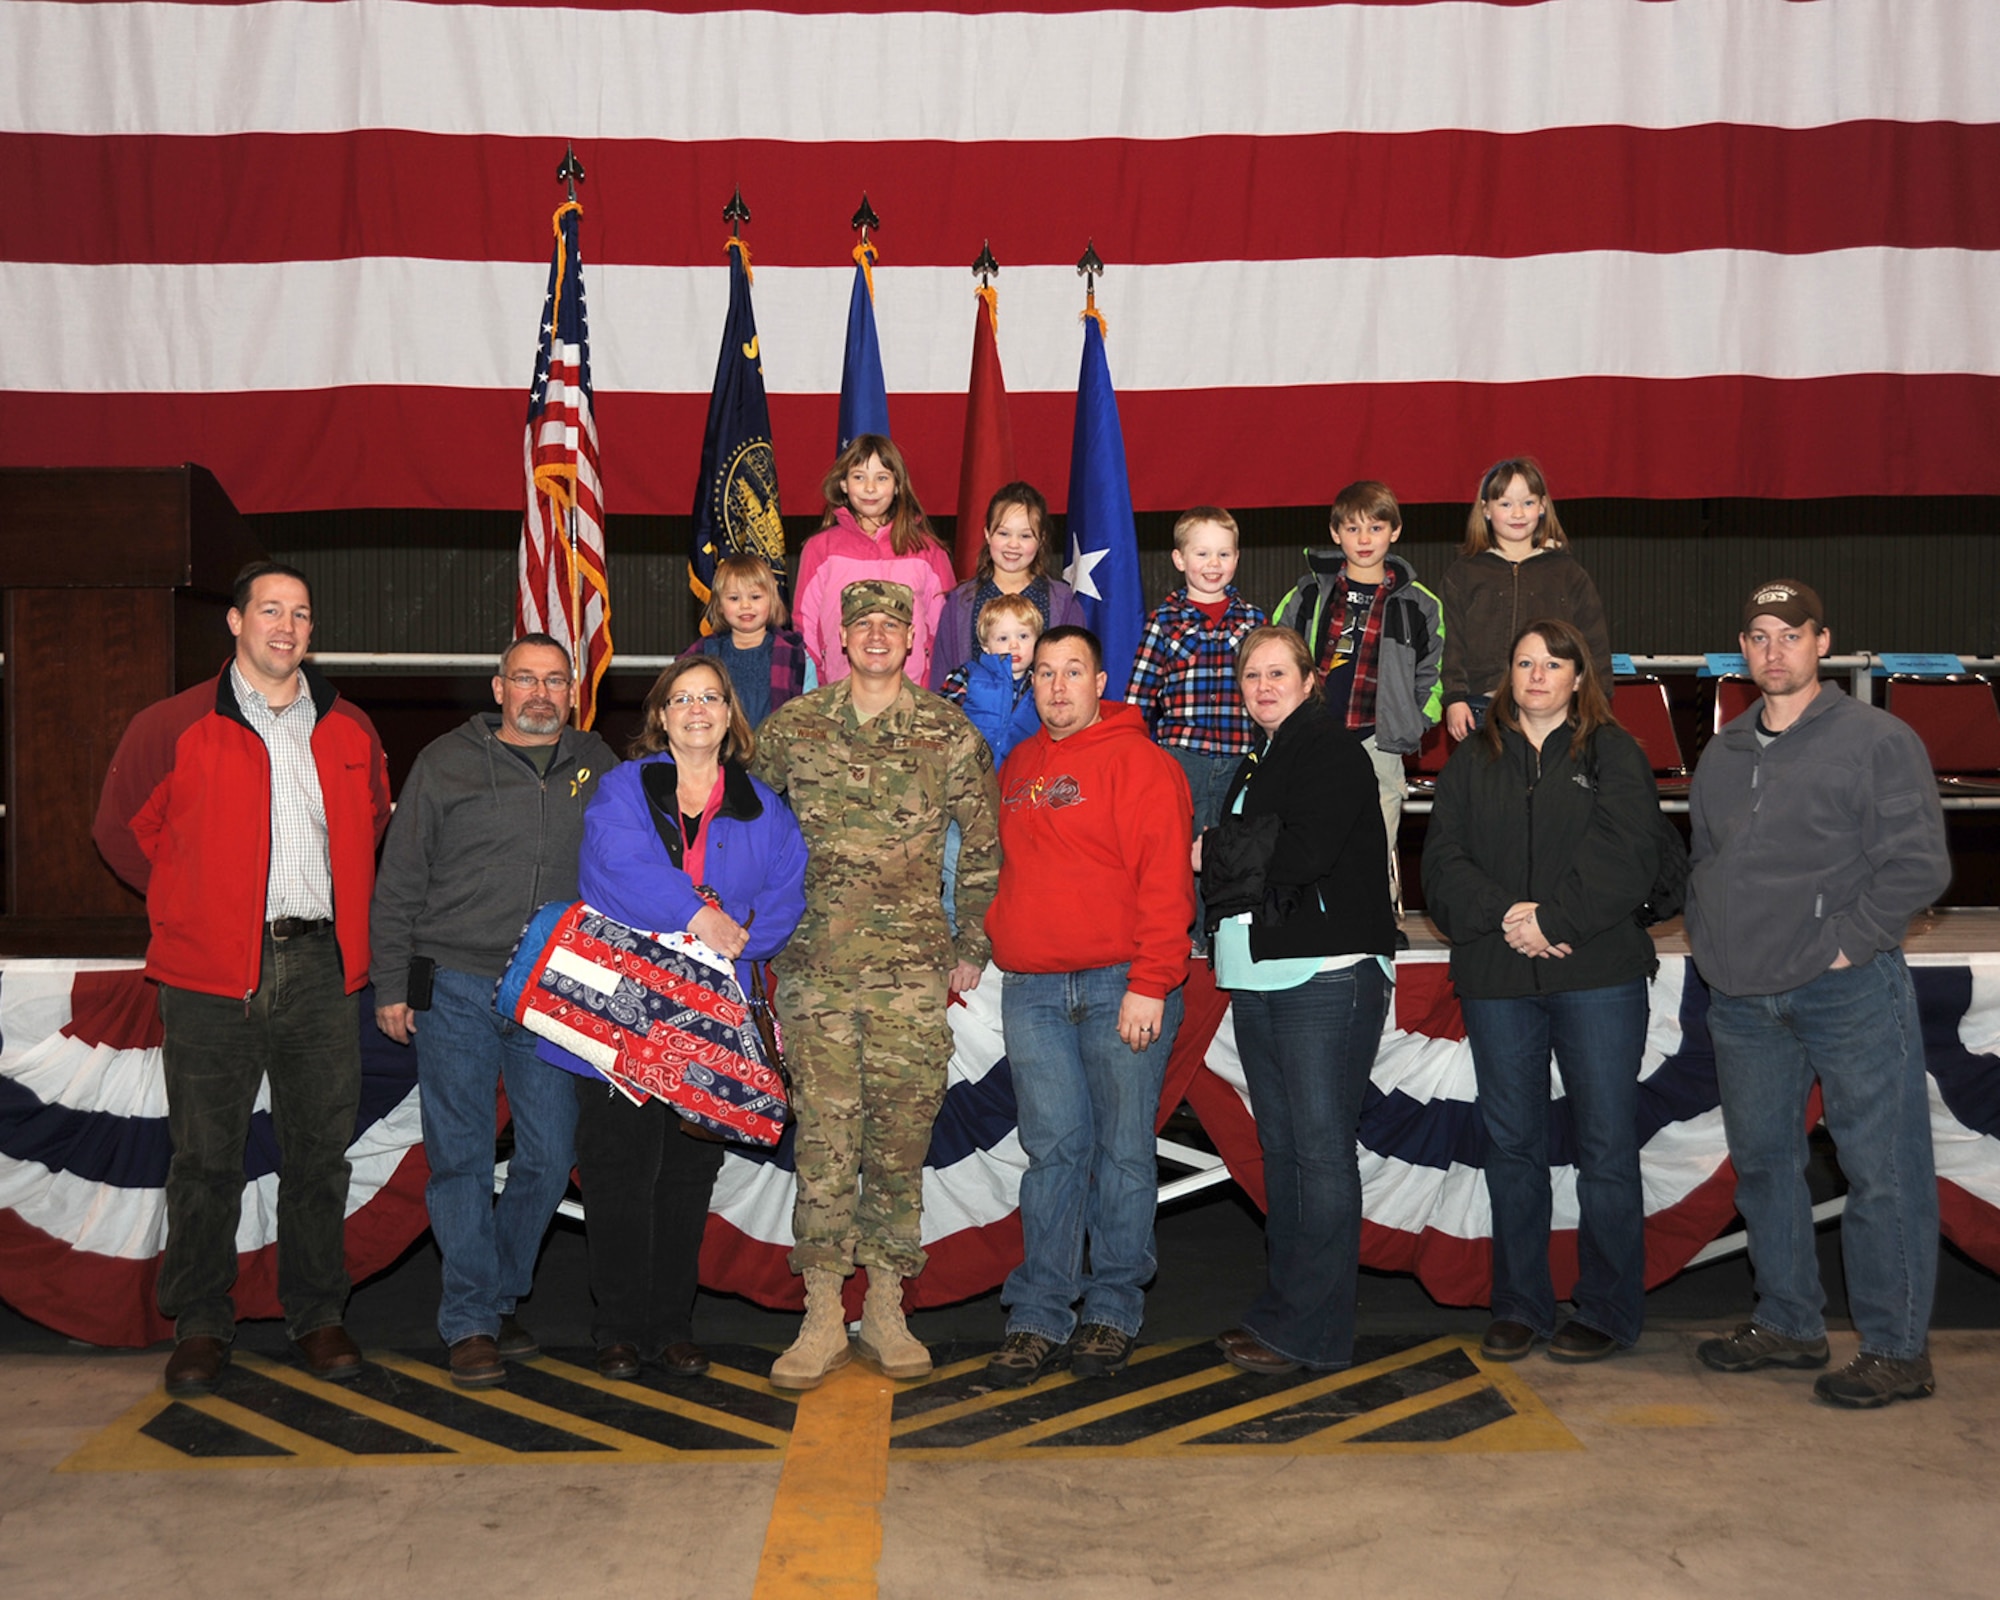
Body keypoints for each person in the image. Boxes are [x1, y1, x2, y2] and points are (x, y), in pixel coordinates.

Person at [92, 561, 392, 1397]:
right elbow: (120, 833)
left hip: (323, 971)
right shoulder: (173, 724)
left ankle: (317, 1313)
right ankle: (199, 1323)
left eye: (300, 613)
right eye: (269, 610)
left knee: (318, 1157)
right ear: (234, 622)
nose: (286, 626)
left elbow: (369, 826)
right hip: (211, 977)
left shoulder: (350, 727)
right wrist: (196, 903)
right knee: (206, 1159)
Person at [1688, 580, 1950, 1408]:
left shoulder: (1877, 738)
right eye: (1759, 635)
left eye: (1790, 634)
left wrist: (1850, 943)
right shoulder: (1725, 749)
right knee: (1766, 1167)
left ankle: (1897, 1348)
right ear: (1744, 648)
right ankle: (1790, 1322)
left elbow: (1919, 863)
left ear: (1821, 643)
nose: (1774, 650)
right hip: (1742, 996)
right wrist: (1713, 941)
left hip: (1847, 991)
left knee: (1882, 1169)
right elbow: (1707, 859)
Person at [751, 579, 1000, 1389]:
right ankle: (823, 1311)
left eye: (894, 625)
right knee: (824, 1142)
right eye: (864, 626)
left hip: (910, 973)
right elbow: (746, 830)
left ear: (914, 639)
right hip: (816, 969)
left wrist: (972, 940)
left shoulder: (945, 731)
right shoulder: (795, 729)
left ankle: (886, 1305)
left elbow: (985, 845)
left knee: (899, 1140)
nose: (879, 637)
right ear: (841, 637)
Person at [368, 634, 615, 1387]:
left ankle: (500, 1290)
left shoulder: (599, 765)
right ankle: (472, 1320)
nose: (540, 693)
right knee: (463, 1159)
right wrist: (390, 984)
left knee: (547, 1154)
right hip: (458, 985)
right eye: (525, 680)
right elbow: (400, 879)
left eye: (554, 681)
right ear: (498, 687)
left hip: (554, 991)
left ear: (571, 692)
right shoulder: (444, 763)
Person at [1421, 618, 1662, 1364]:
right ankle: (1522, 1305)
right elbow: (1442, 861)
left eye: (1552, 664)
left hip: (1596, 976)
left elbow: (1630, 856)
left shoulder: (1615, 752)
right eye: (1523, 662)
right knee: (1514, 1147)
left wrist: (1552, 920)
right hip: (1499, 980)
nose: (1536, 675)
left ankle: (1609, 1308)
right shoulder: (1473, 760)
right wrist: (1506, 919)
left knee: (1606, 1148)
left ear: (1578, 677)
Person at [570, 656, 807, 1381]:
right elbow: (614, 868)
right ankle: (617, 1328)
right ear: (662, 716)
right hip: (624, 1008)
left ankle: (672, 1326)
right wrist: (699, 916)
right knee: (617, 1173)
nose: (697, 709)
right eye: (682, 699)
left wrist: (737, 938)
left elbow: (786, 896)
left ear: (730, 714)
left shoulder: (766, 806)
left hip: (714, 1015)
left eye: (711, 697)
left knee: (683, 1176)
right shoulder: (623, 787)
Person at [983, 625, 1194, 1387]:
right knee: (1053, 1154)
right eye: (1044, 673)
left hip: (1118, 985)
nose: (1058, 686)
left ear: (1100, 680)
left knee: (1124, 1152)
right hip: (1033, 989)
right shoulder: (1021, 765)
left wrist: (1151, 981)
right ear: (1031, 683)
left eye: (1073, 671)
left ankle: (1112, 1308)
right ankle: (1039, 1312)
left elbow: (1168, 881)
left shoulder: (1142, 762)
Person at [1197, 626, 1396, 1376]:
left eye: (1278, 673)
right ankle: (1284, 1313)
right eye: (1251, 676)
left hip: (1326, 971)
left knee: (1317, 1156)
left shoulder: (1331, 752)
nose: (1264, 686)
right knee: (1282, 1156)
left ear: (1312, 680)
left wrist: (1213, 849)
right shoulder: (1261, 757)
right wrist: (1235, 847)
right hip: (1260, 972)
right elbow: (1264, 853)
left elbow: (1304, 854)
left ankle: (1315, 1333)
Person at [1273, 479, 1443, 940]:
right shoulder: (1307, 594)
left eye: (1375, 527)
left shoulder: (1419, 604)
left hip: (1379, 738)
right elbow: (1273, 655)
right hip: (1314, 735)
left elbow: (1435, 672)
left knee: (1379, 830)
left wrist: (1415, 719)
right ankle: (1307, 914)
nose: (1364, 539)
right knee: (1306, 825)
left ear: (1396, 532)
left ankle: (1375, 917)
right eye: (1352, 528)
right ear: (1335, 533)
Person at [1122, 506, 1267, 950]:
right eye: (1201, 553)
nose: (1213, 564)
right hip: (1180, 755)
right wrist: (1131, 756)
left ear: (1237, 558)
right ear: (1179, 559)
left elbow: (1268, 692)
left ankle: (1226, 933)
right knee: (1178, 849)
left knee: (1233, 847)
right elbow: (1139, 697)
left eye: (1223, 554)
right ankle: (1181, 932)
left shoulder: (1254, 622)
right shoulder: (1162, 621)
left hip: (1241, 753)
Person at [1440, 458, 1611, 742]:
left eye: (1528, 503)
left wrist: (1597, 703)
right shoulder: (1464, 574)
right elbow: (1450, 643)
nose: (1518, 513)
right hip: (1482, 707)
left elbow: (1594, 643)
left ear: (1542, 506)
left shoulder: (1568, 573)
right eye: (1505, 504)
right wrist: (1454, 698)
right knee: (1489, 787)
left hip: (1555, 711)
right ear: (1485, 510)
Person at [791, 434, 957, 686]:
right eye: (859, 477)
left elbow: (944, 631)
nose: (870, 488)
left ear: (898, 485)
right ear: (844, 484)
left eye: (881, 478)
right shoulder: (819, 549)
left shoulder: (929, 551)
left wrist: (931, 692)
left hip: (912, 697)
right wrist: (817, 687)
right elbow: (806, 625)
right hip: (838, 695)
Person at [927, 481, 1085, 692]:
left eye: (1025, 536)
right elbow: (942, 676)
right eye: (1003, 533)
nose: (1013, 544)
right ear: (987, 534)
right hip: (971, 723)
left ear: (1042, 539)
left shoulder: (1062, 603)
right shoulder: (960, 603)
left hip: (1042, 723)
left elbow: (1077, 672)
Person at [680, 552, 817, 727]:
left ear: (772, 600)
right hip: (718, 750)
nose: (745, 605)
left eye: (755, 597)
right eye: (734, 598)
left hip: (776, 749)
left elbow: (813, 712)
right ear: (720, 605)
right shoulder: (702, 653)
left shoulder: (796, 655)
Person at [939, 591, 1044, 765]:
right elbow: (939, 720)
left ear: (1038, 641)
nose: (1014, 645)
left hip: (1018, 780)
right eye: (1003, 638)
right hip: (967, 775)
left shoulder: (1041, 688)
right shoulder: (967, 675)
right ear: (986, 646)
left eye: (1023, 636)